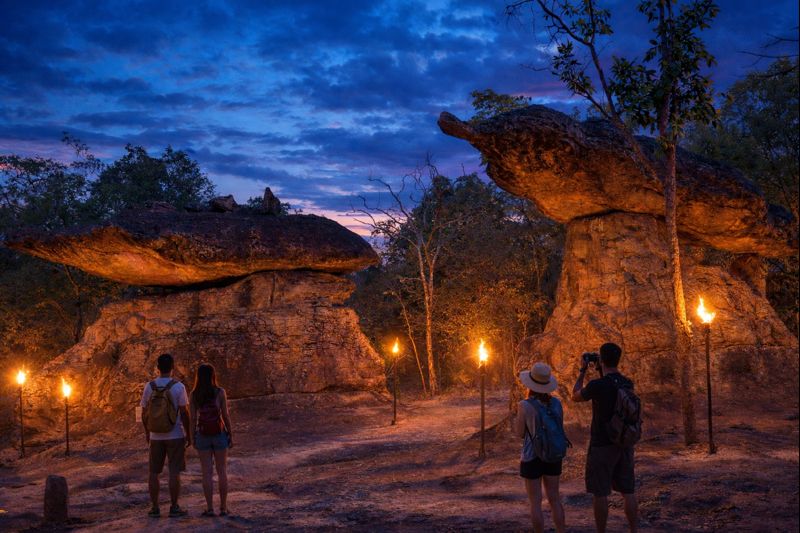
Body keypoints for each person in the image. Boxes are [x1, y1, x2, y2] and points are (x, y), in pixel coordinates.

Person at [572, 342, 638, 533]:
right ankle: (634, 530)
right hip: (624, 443)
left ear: (601, 360)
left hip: (602, 445)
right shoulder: (627, 383)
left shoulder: (597, 386)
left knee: (600, 492)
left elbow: (575, 395)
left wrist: (583, 370)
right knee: (628, 491)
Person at [515, 362, 567, 533]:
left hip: (532, 457)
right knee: (555, 499)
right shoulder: (557, 404)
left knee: (535, 503)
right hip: (553, 454)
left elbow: (520, 433)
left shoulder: (525, 405)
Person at [140, 353, 192, 518]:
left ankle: (155, 508)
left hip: (156, 436)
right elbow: (184, 413)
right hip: (175, 434)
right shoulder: (179, 387)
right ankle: (174, 507)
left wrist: (148, 432)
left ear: (157, 368)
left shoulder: (149, 386)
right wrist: (188, 434)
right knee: (174, 472)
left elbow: (144, 412)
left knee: (153, 472)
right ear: (172, 367)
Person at [190, 363, 233, 517]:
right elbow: (225, 415)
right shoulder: (220, 392)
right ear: (213, 375)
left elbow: (193, 418)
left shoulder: (194, 394)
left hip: (203, 435)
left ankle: (209, 509)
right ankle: (223, 508)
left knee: (206, 473)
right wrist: (230, 434)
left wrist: (192, 437)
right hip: (219, 434)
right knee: (222, 471)